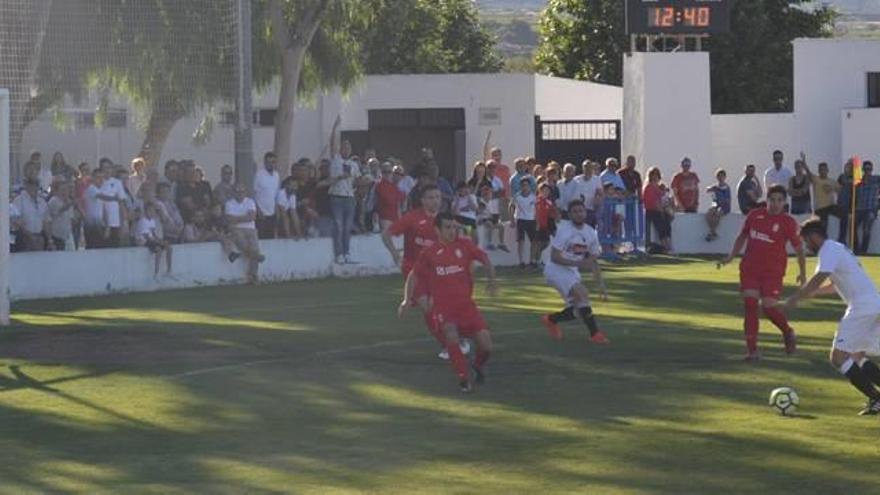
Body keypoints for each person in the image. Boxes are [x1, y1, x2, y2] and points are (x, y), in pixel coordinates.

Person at [783, 219, 880, 415]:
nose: (806, 246)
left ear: (813, 237)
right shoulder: (837, 248)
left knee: (838, 358)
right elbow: (836, 283)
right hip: (873, 304)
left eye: (806, 241)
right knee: (857, 355)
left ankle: (876, 398)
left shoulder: (828, 249)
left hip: (861, 308)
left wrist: (796, 298)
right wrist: (814, 293)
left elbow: (821, 276)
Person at [404, 212, 498, 393]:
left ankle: (477, 366)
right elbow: (413, 275)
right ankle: (463, 379)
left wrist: (491, 281)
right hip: (444, 309)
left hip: (467, 307)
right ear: (437, 230)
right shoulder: (429, 253)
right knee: (451, 335)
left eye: (454, 227)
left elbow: (485, 259)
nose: (452, 231)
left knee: (486, 346)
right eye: (448, 227)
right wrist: (407, 299)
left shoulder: (465, 245)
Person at [718, 185, 806, 361]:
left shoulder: (787, 222)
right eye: (772, 200)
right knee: (750, 304)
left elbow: (799, 248)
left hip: (773, 271)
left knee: (768, 306)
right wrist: (730, 257)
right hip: (750, 268)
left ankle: (788, 332)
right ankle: (752, 351)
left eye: (780, 200)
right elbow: (742, 236)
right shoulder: (754, 216)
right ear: (767, 200)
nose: (775, 204)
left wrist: (802, 272)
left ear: (784, 202)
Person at [383, 186, 469, 360]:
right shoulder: (412, 217)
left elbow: (459, 237)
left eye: (437, 197)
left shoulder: (445, 220)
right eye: (430, 197)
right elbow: (387, 233)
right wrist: (394, 252)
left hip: (436, 270)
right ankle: (448, 345)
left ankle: (457, 339)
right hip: (413, 269)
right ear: (422, 200)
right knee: (426, 306)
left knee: (444, 306)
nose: (435, 200)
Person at [540, 200, 610, 344]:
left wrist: (601, 285)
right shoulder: (564, 230)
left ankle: (551, 319)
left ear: (585, 212)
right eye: (575, 211)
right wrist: (577, 263)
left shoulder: (590, 232)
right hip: (555, 269)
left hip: (571, 271)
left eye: (581, 211)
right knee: (582, 293)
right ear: (570, 215)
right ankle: (595, 334)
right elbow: (555, 257)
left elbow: (593, 260)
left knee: (579, 310)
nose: (579, 214)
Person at [328, 115, 360, 263]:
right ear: (340, 149)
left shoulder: (354, 165)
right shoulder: (336, 160)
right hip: (337, 197)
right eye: (343, 147)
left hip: (350, 198)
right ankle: (339, 254)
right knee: (338, 226)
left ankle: (347, 253)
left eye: (348, 147)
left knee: (347, 227)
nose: (346, 149)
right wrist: (335, 127)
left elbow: (357, 180)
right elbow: (332, 143)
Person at [225, 183, 265, 284]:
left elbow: (252, 217)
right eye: (237, 191)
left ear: (245, 192)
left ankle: (253, 276)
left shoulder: (250, 202)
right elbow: (229, 220)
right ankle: (256, 257)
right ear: (234, 193)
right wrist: (244, 218)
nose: (240, 194)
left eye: (242, 191)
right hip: (236, 229)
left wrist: (237, 219)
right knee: (244, 246)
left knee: (254, 248)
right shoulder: (229, 203)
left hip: (251, 229)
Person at [135, 202, 173, 279]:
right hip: (143, 241)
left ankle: (169, 270)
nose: (152, 212)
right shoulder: (143, 221)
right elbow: (146, 236)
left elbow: (153, 234)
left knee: (169, 247)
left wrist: (160, 240)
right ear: (146, 211)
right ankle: (156, 272)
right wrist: (158, 242)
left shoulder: (152, 221)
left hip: (151, 240)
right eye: (150, 210)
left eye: (153, 210)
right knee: (158, 250)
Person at [510, 177, 538, 268]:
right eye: (523, 185)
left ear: (529, 186)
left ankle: (532, 261)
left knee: (534, 241)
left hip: (531, 220)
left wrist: (537, 220)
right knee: (521, 241)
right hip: (520, 220)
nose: (524, 187)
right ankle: (521, 261)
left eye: (526, 185)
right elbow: (511, 207)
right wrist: (512, 219)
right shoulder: (517, 196)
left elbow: (537, 209)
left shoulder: (533, 197)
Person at [853, 161, 880, 255]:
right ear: (863, 170)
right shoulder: (858, 181)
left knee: (866, 228)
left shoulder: (877, 179)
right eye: (865, 169)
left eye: (869, 169)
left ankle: (863, 251)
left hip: (871, 209)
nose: (867, 171)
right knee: (852, 226)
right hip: (860, 209)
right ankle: (856, 249)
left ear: (872, 170)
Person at [643, 167, 672, 253]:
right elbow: (653, 201)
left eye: (657, 175)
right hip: (653, 211)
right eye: (653, 175)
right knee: (661, 228)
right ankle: (666, 247)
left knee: (667, 228)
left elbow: (664, 198)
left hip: (660, 210)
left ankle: (669, 246)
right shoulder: (649, 187)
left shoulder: (658, 187)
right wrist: (661, 210)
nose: (655, 177)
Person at [254, 152, 281, 239]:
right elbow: (253, 194)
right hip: (261, 214)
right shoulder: (259, 175)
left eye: (273, 162)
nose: (271, 164)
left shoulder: (277, 175)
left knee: (270, 238)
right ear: (265, 163)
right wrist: (258, 210)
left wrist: (276, 210)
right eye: (268, 162)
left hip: (272, 213)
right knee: (261, 238)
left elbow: (276, 195)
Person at [534, 182, 559, 265]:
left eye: (547, 191)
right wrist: (537, 223)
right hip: (539, 225)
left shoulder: (549, 202)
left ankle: (538, 260)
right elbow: (536, 212)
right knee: (539, 243)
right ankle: (536, 261)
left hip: (546, 225)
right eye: (544, 190)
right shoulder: (537, 200)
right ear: (540, 191)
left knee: (546, 243)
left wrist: (555, 217)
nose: (546, 192)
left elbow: (552, 212)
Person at [810, 161, 839, 231]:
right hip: (820, 208)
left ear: (827, 170)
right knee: (823, 227)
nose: (822, 171)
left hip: (831, 206)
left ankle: (842, 237)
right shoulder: (815, 179)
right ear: (818, 171)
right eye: (821, 170)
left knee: (844, 213)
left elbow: (841, 189)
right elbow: (808, 172)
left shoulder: (832, 181)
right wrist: (804, 163)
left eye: (824, 169)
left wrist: (832, 188)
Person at [705, 169, 731, 242]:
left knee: (717, 214)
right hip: (716, 206)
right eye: (718, 176)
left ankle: (711, 232)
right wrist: (711, 188)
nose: (720, 178)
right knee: (708, 214)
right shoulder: (715, 186)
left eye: (722, 176)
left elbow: (727, 200)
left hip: (724, 207)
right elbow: (707, 190)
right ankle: (713, 232)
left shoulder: (726, 187)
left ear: (724, 177)